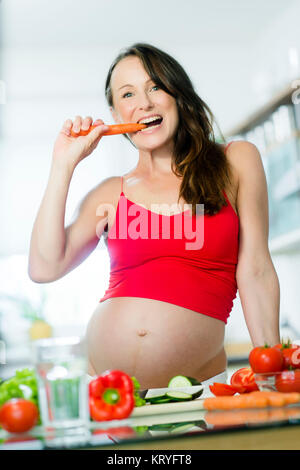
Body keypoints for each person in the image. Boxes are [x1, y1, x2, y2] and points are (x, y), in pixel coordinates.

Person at [28, 43, 280, 389]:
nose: (143, 103)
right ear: (117, 115)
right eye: (128, 94)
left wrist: (270, 367)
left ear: (178, 95)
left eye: (155, 87)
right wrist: (63, 164)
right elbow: (44, 268)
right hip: (104, 394)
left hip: (197, 391)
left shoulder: (236, 160)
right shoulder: (109, 192)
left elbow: (256, 269)